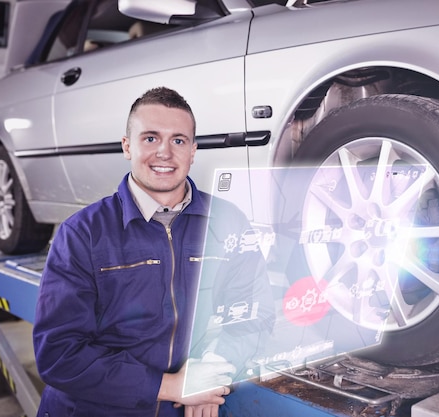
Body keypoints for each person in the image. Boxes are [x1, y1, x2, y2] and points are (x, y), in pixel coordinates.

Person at [33, 86, 273, 417]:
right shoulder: (83, 233)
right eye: (150, 138)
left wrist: (212, 374)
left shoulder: (228, 221)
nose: (164, 152)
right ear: (127, 146)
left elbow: (254, 311)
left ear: (193, 151)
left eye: (178, 140)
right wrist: (172, 386)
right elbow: (59, 353)